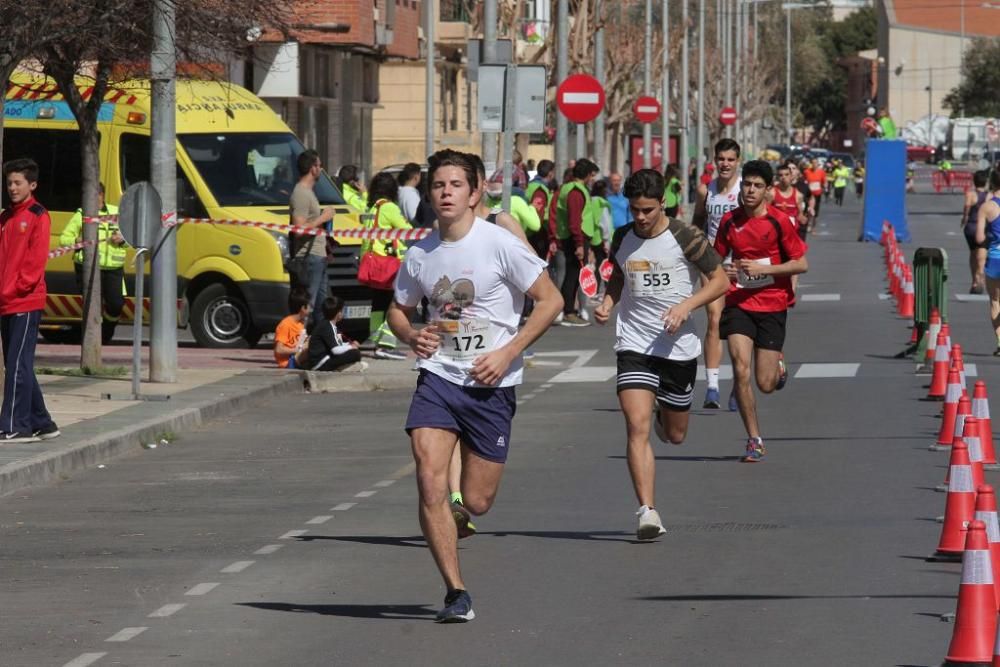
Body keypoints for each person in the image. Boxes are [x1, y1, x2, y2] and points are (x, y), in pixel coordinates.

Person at [387, 149, 563, 623]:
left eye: (455, 185)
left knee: (479, 501)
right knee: (428, 479)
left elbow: (550, 301)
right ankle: (455, 592)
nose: (446, 192)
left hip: (491, 384)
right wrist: (410, 334)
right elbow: (398, 308)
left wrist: (509, 351)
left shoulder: (499, 244)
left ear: (475, 191)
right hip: (439, 378)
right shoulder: (421, 253)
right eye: (439, 185)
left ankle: (465, 510)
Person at [593, 169, 728, 539]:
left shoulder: (686, 236)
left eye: (647, 210)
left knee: (675, 435)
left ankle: (663, 415)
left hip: (678, 348)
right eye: (635, 210)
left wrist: (687, 306)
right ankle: (647, 511)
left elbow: (720, 281)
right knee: (635, 427)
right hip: (634, 343)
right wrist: (607, 302)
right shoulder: (623, 237)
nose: (640, 218)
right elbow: (618, 276)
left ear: (662, 203)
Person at [713, 160, 809, 462]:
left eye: (756, 186)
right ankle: (754, 439)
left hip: (772, 303)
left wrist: (766, 268)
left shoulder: (779, 222)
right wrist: (725, 271)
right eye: (746, 185)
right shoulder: (730, 221)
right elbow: (714, 259)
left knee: (765, 384)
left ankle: (776, 363)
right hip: (739, 301)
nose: (750, 191)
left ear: (768, 191)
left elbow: (801, 264)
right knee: (740, 369)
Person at [0, 159, 60, 442]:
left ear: (32, 185)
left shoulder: (38, 216)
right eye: (9, 183)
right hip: (6, 302)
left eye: (17, 183)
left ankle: (15, 426)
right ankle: (42, 422)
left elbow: (34, 266)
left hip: (24, 302)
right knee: (20, 364)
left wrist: (13, 290)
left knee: (16, 366)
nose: (12, 188)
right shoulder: (5, 218)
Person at [692, 138, 741, 410]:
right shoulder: (705, 191)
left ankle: (739, 384)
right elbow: (698, 221)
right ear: (714, 160)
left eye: (730, 159)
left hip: (742, 263)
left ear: (737, 162)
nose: (725, 164)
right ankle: (712, 387)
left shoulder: (747, 188)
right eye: (721, 159)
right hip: (713, 262)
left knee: (738, 326)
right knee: (714, 319)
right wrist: (694, 249)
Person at [59, 182, 126, 342]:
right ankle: (94, 340)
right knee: (92, 307)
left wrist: (122, 239)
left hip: (113, 267)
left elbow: (132, 238)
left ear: (101, 195)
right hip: (87, 267)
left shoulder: (116, 213)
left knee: (116, 305)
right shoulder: (80, 215)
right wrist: (78, 240)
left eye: (92, 195)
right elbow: (63, 239)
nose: (87, 199)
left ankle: (106, 332)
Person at [363, 172, 412, 360]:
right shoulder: (389, 207)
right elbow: (406, 230)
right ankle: (386, 344)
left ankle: (376, 340)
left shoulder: (372, 208)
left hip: (374, 264)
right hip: (389, 265)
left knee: (378, 304)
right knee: (395, 305)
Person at [552, 158, 600, 327]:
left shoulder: (571, 189)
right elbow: (574, 220)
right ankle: (568, 311)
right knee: (572, 277)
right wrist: (579, 244)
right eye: (592, 175)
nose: (593, 179)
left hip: (575, 238)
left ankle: (569, 310)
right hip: (575, 239)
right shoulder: (576, 193)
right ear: (587, 174)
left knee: (574, 276)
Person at [289, 149, 334, 325]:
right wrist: (324, 217)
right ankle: (297, 344)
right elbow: (299, 229)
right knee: (308, 305)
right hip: (309, 257)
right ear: (313, 168)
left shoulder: (309, 192)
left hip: (318, 255)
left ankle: (322, 345)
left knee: (324, 307)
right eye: (320, 165)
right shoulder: (300, 193)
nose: (322, 170)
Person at [975, 170, 1000, 355]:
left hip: (995, 258)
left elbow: (979, 237)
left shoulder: (987, 207)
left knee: (995, 301)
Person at [306, 296, 366, 372]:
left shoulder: (328, 324)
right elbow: (336, 350)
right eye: (342, 310)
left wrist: (349, 344)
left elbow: (337, 344)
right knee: (355, 354)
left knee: (354, 352)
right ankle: (342, 368)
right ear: (338, 313)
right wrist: (351, 347)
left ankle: (344, 367)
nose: (342, 313)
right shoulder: (327, 326)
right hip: (320, 364)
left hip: (325, 358)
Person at [964, 170, 990, 295]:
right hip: (983, 228)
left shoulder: (970, 194)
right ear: (985, 182)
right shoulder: (989, 196)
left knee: (973, 254)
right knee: (982, 256)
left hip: (970, 227)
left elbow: (967, 209)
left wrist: (964, 220)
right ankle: (981, 278)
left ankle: (974, 280)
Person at [274, 286, 311, 369]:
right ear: (303, 308)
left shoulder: (300, 324)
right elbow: (278, 350)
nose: (310, 309)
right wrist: (298, 350)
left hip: (297, 358)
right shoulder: (285, 324)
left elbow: (301, 343)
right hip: (288, 363)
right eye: (309, 306)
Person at [802, 158, 826, 228]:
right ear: (811, 164)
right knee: (808, 209)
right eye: (813, 163)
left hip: (817, 194)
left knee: (815, 210)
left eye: (815, 163)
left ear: (818, 164)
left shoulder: (821, 172)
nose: (814, 164)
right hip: (808, 194)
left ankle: (813, 227)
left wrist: (825, 187)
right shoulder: (807, 172)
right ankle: (808, 223)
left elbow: (824, 182)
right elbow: (803, 181)